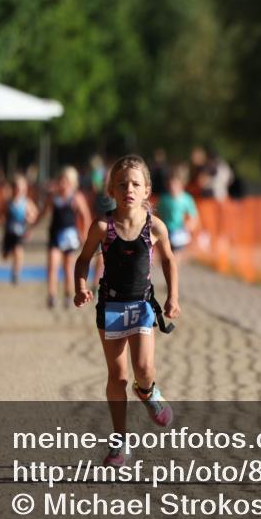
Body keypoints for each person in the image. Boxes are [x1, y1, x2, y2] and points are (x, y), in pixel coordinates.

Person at [74, 155, 180, 467]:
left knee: (144, 368)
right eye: (121, 184)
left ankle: (148, 392)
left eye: (135, 183)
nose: (128, 189)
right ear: (111, 189)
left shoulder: (155, 226)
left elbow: (169, 260)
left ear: (147, 190)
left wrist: (173, 296)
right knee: (117, 376)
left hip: (142, 305)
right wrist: (81, 286)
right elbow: (83, 260)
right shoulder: (103, 226)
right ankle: (120, 442)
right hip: (111, 306)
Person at [30, 166, 93, 309]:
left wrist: (84, 234)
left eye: (65, 180)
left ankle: (67, 294)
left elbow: (86, 215)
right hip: (55, 236)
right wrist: (31, 228)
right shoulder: (53, 196)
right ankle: (51, 296)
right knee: (52, 265)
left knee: (67, 268)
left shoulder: (76, 197)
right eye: (60, 179)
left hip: (70, 238)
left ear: (71, 181)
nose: (62, 182)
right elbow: (42, 214)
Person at [0, 174, 39, 285]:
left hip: (21, 232)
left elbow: (35, 215)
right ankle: (7, 253)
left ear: (25, 189)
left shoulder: (27, 202)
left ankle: (15, 273)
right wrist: (1, 220)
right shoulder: (8, 202)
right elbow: (0, 214)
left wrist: (30, 219)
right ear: (13, 188)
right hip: (9, 232)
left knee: (18, 252)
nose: (19, 190)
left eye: (21, 188)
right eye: (17, 187)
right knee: (5, 256)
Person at [156, 170, 200, 253]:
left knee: (176, 255)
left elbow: (194, 216)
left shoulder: (187, 199)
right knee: (167, 255)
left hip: (180, 231)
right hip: (166, 231)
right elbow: (157, 213)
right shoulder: (164, 199)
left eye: (175, 184)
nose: (172, 186)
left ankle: (176, 264)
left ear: (181, 184)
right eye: (170, 184)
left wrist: (189, 226)